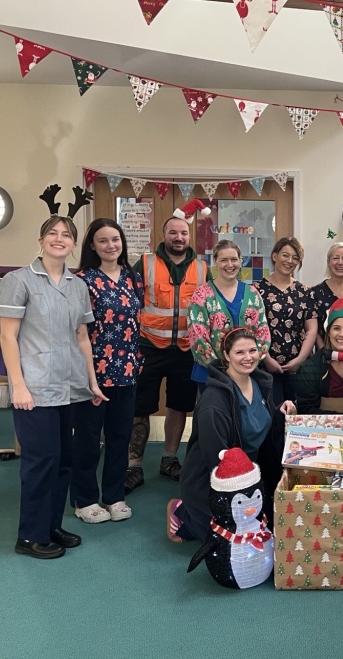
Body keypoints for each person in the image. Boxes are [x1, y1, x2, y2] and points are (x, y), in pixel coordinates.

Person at [0, 215, 106, 559]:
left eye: (67, 235)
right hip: (35, 388)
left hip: (70, 386)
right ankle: (29, 535)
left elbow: (82, 336)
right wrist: (18, 385)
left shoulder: (78, 286)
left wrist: (91, 381)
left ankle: (51, 526)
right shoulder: (19, 280)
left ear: (74, 245)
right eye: (52, 234)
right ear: (41, 239)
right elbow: (8, 336)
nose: (59, 239)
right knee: (40, 461)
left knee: (64, 461)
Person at [167, 328, 295, 542]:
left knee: (275, 529)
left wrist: (279, 410)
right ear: (226, 355)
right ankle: (182, 512)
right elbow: (214, 460)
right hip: (213, 482)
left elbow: (258, 420)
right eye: (240, 352)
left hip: (251, 477)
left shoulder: (260, 383)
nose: (248, 357)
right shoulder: (213, 403)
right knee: (236, 542)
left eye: (253, 351)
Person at [125, 206, 209, 493]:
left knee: (179, 406)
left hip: (186, 349)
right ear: (163, 235)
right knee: (140, 408)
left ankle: (169, 459)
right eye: (173, 232)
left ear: (189, 236)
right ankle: (133, 465)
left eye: (184, 232)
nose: (178, 237)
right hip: (148, 347)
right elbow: (128, 302)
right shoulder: (145, 263)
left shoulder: (202, 268)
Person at [72, 218, 143, 525]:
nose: (111, 245)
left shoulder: (132, 277)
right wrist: (88, 375)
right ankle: (84, 499)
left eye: (116, 239)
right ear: (92, 245)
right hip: (93, 373)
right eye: (103, 240)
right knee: (88, 439)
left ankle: (114, 496)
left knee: (120, 438)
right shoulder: (82, 280)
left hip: (127, 372)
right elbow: (78, 332)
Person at [187, 238, 271, 388]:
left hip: (247, 373)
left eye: (234, 259)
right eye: (224, 260)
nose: (230, 265)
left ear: (241, 261)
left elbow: (263, 333)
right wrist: (223, 368)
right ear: (215, 261)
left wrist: (248, 362)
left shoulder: (252, 293)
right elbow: (197, 336)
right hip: (211, 374)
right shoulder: (202, 294)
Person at [253, 237, 318, 404]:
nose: (289, 261)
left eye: (295, 258)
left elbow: (311, 329)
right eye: (285, 255)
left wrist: (300, 360)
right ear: (275, 256)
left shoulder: (305, 292)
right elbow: (250, 328)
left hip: (298, 366)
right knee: (271, 415)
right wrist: (266, 358)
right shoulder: (256, 290)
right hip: (264, 364)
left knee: (296, 415)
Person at [291, 295, 343, 413]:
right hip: (325, 430)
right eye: (336, 328)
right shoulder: (312, 367)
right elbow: (306, 409)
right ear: (328, 332)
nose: (342, 334)